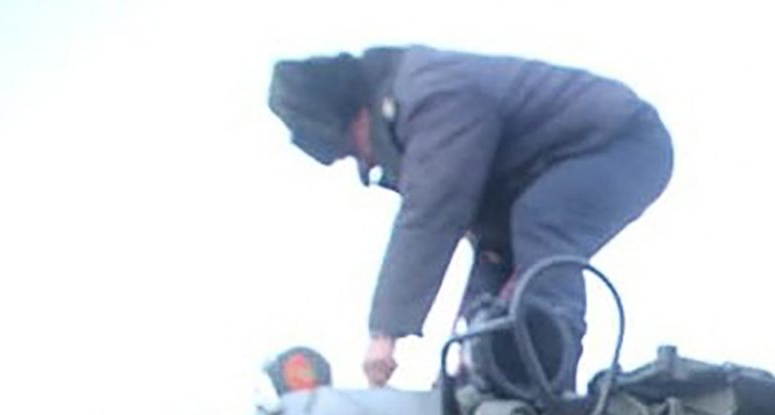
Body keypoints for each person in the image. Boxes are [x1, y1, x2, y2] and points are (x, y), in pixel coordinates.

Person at [269, 47, 674, 393]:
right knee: (486, 302)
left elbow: (433, 209)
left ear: (358, 117)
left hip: (619, 142)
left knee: (545, 223)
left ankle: (546, 381)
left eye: (354, 152)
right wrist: (468, 353)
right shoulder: (411, 101)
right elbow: (486, 239)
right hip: (539, 179)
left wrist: (385, 333)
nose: (367, 163)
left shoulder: (428, 95)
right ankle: (489, 383)